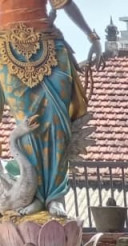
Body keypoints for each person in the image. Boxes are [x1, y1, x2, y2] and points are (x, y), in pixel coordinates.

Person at [0, 0, 101, 216]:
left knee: (58, 124)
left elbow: (65, 3)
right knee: (28, 127)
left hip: (50, 49)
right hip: (7, 51)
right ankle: (35, 195)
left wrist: (92, 37)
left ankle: (56, 196)